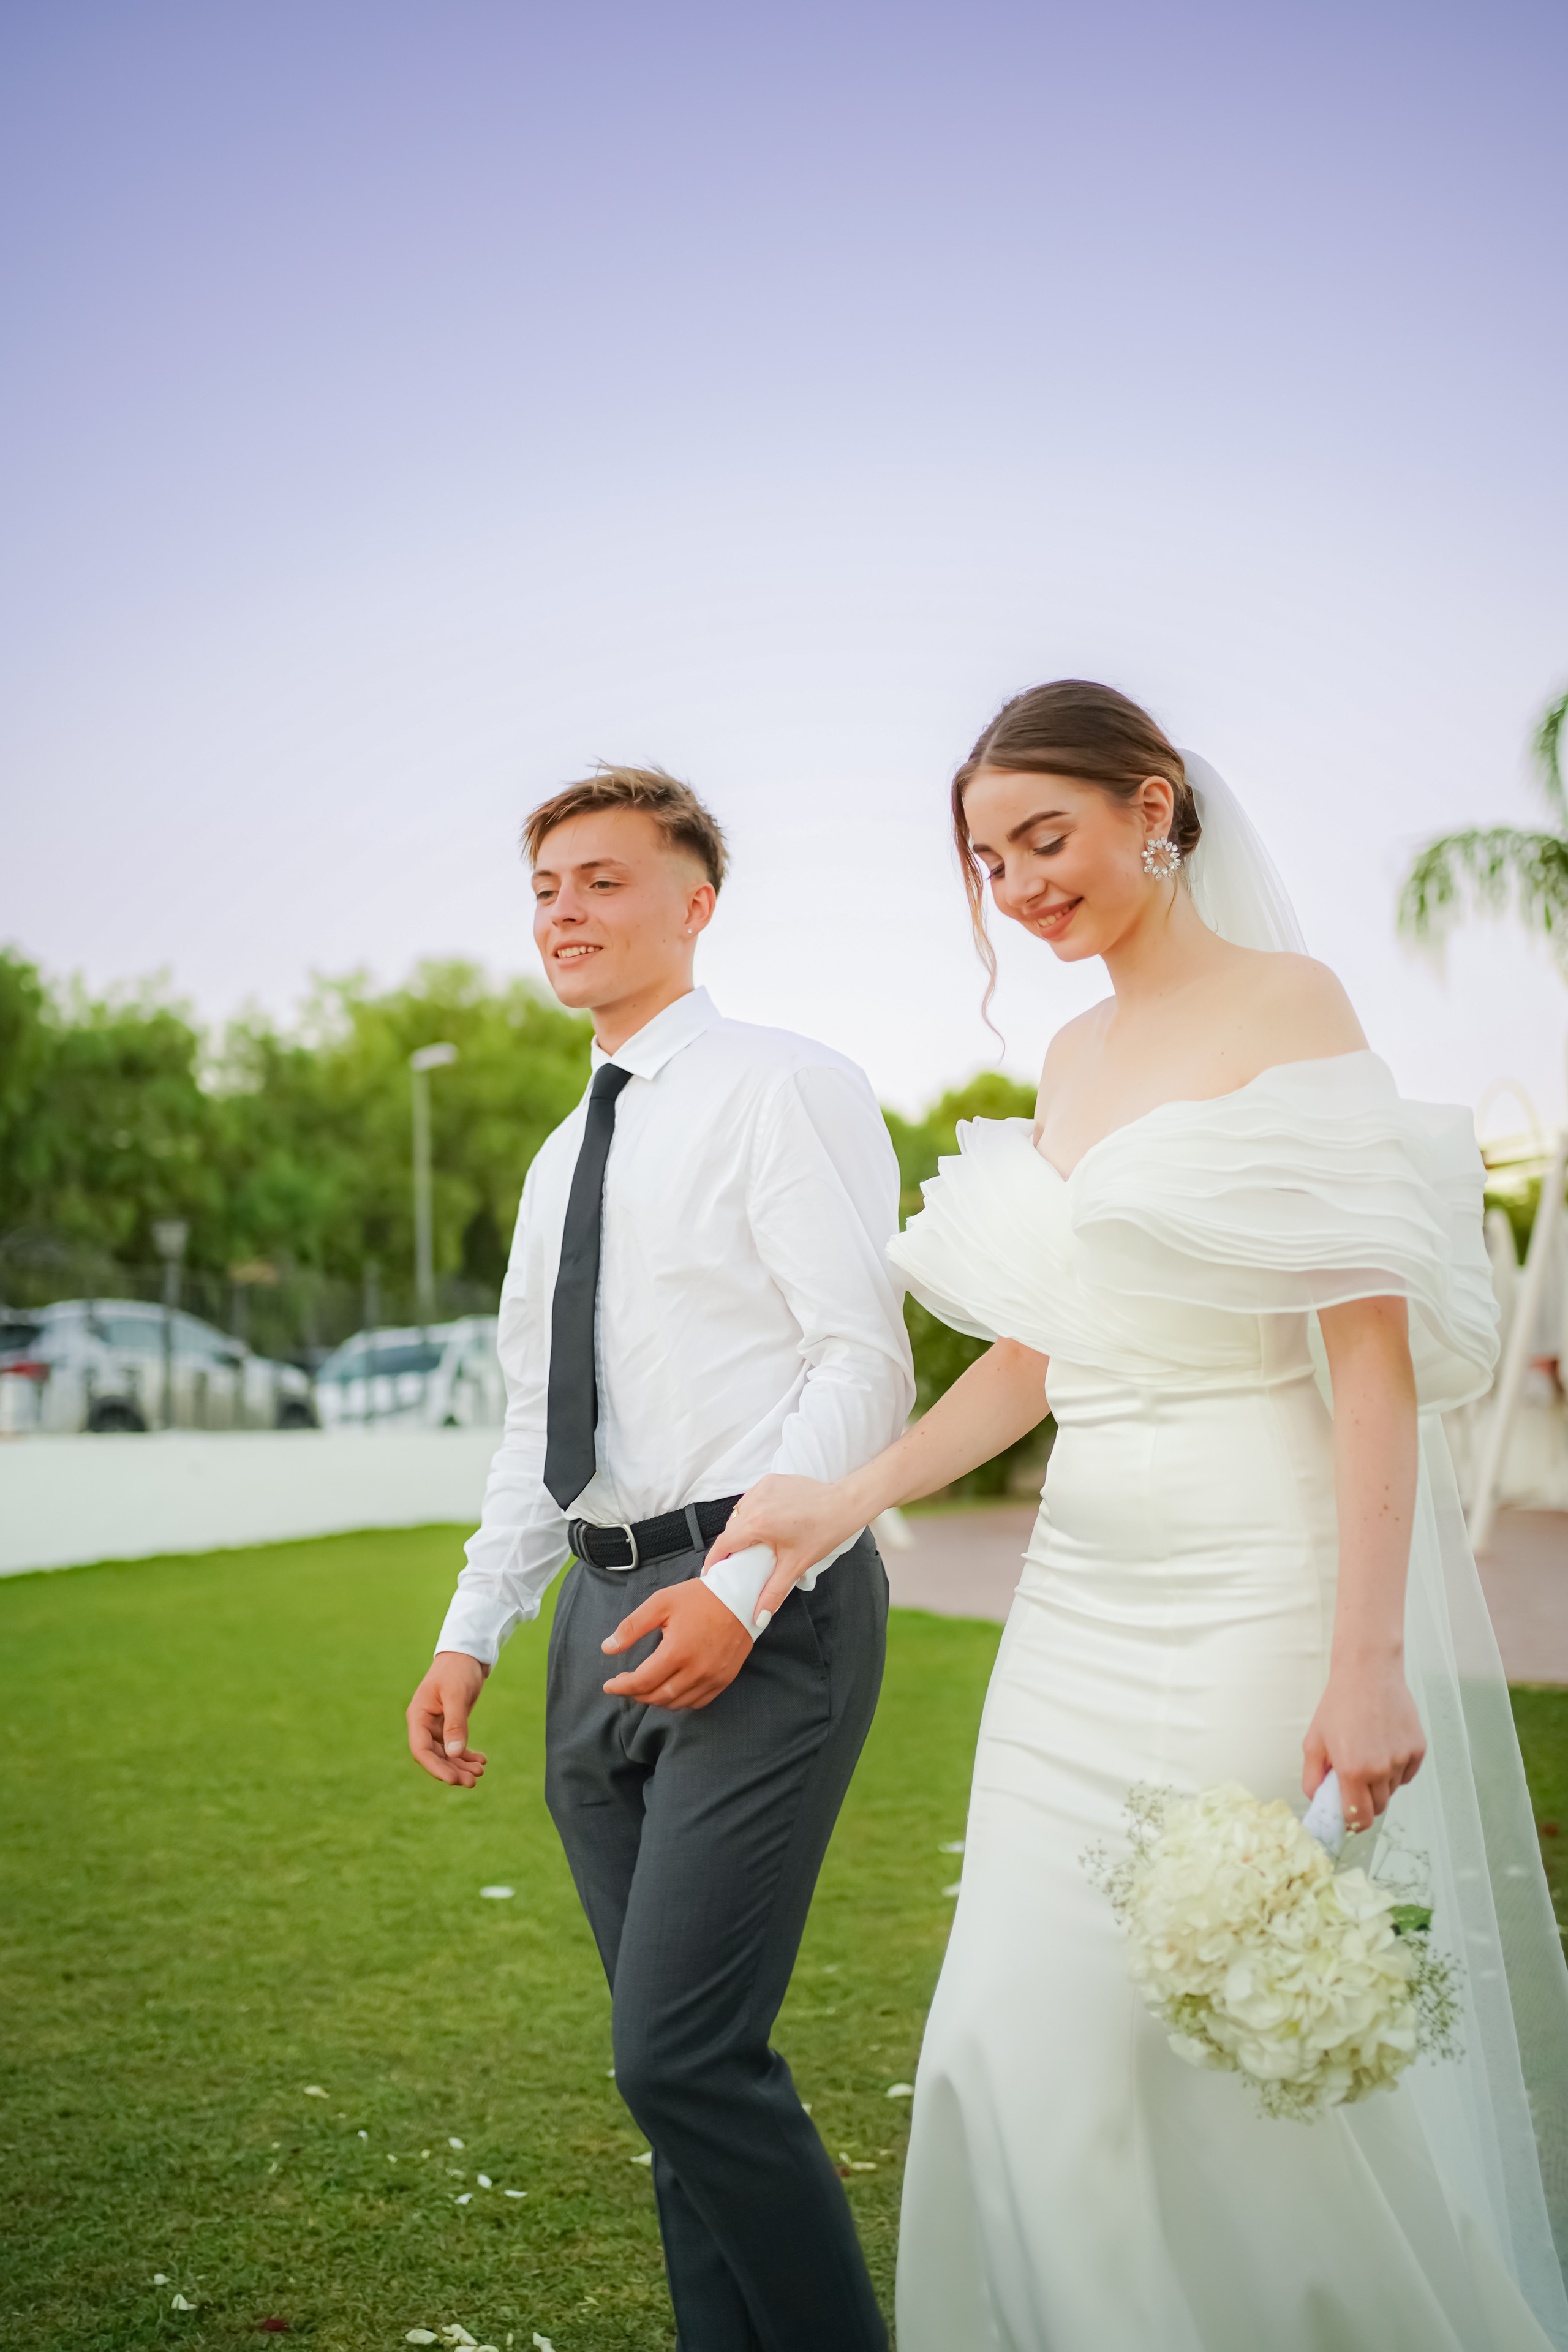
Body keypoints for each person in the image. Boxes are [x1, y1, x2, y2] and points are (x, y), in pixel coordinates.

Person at [707, 683, 1568, 2351]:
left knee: (1217, 2054)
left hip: (1262, 1579)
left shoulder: (1290, 1006)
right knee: (1005, 2043)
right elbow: (1038, 1353)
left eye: (1048, 836)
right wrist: (845, 1496)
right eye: (989, 859)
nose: (1023, 885)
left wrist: (1369, 1662)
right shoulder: (1073, 1052)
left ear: (1151, 806)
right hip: (1077, 1609)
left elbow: (1370, 1367)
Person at [405, 763, 913, 2352]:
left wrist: (745, 1587)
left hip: (763, 1607)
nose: (567, 909)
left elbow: (861, 1365)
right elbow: (533, 1418)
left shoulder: (783, 1086)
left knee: (681, 2058)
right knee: (679, 2073)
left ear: (697, 904)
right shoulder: (563, 1155)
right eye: (548, 884)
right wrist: (474, 1629)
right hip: (597, 1619)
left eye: (605, 879)